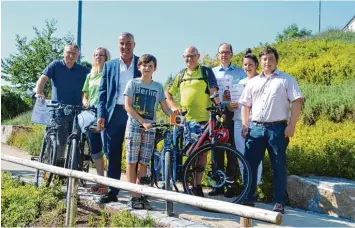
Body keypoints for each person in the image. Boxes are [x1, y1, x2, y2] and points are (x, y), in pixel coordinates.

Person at [239, 46, 303, 214]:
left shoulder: (286, 79)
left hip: (278, 129)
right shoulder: (253, 82)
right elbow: (245, 104)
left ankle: (279, 202)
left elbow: (297, 101)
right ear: (260, 62)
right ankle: (248, 196)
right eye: (264, 59)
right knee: (250, 164)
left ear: (276, 61)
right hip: (256, 129)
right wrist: (245, 124)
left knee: (278, 166)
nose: (267, 62)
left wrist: (292, 125)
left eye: (271, 59)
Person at [166, 46, 220, 197]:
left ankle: (197, 185)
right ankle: (181, 180)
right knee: (186, 152)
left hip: (204, 118)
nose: (189, 59)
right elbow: (168, 93)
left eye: (192, 56)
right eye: (186, 56)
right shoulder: (180, 74)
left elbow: (214, 91)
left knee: (202, 153)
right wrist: (175, 107)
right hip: (184, 120)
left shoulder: (206, 72)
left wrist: (219, 107)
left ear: (198, 56)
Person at [97, 32, 141, 203]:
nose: (125, 47)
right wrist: (101, 114)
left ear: (134, 44)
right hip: (114, 113)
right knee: (113, 154)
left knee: (134, 155)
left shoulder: (141, 63)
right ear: (118, 45)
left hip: (134, 114)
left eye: (128, 43)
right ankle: (112, 192)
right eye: (122, 43)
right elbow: (102, 92)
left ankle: (136, 194)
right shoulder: (110, 65)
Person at [124, 54, 173, 209]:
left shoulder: (158, 87)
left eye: (150, 66)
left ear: (155, 69)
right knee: (132, 161)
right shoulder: (133, 84)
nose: (147, 68)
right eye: (144, 65)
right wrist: (142, 121)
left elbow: (164, 107)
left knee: (144, 161)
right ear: (139, 67)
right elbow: (128, 106)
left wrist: (174, 116)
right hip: (135, 126)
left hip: (150, 128)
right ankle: (133, 195)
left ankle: (141, 193)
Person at [35, 43, 90, 164]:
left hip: (77, 110)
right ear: (64, 53)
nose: (71, 55)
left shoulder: (84, 70)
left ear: (78, 55)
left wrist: (86, 100)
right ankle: (53, 167)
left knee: (77, 142)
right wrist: (39, 92)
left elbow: (91, 84)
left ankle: (73, 170)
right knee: (60, 141)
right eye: (68, 52)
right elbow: (43, 79)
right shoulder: (55, 65)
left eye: (74, 53)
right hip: (58, 109)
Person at [209, 43, 247, 197]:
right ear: (217, 55)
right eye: (221, 53)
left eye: (227, 52)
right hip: (217, 112)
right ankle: (218, 184)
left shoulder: (240, 72)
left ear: (232, 54)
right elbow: (210, 93)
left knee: (232, 149)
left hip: (234, 113)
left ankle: (231, 185)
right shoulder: (212, 72)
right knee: (216, 149)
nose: (224, 55)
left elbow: (245, 92)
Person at [81, 47, 111, 194]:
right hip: (91, 112)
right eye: (96, 55)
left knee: (108, 147)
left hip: (105, 112)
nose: (98, 57)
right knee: (96, 148)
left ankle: (110, 183)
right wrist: (85, 101)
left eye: (101, 55)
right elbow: (84, 94)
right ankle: (100, 181)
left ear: (106, 57)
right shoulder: (90, 74)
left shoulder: (109, 72)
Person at [234, 48, 263, 186]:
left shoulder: (262, 81)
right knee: (241, 155)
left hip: (254, 122)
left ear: (256, 65)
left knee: (255, 156)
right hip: (238, 122)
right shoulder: (240, 83)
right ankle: (246, 186)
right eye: (245, 65)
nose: (247, 67)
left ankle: (255, 187)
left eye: (250, 64)